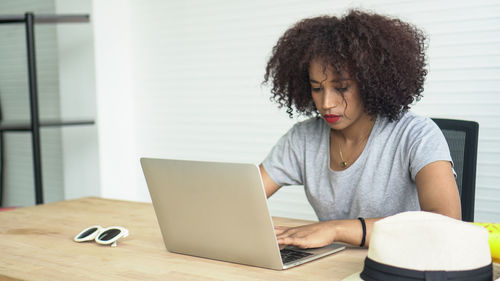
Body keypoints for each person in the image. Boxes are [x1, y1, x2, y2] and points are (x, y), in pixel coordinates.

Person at [259, 9, 461, 249]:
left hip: (401, 266)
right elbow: (242, 197)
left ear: (371, 82)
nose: (326, 104)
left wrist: (336, 229)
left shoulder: (417, 135)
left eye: (342, 88)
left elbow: (446, 224)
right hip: (336, 265)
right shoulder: (303, 138)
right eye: (316, 88)